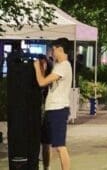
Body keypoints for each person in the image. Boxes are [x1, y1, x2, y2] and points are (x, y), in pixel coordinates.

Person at [33, 37, 73, 170]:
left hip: (58, 109)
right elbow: (46, 82)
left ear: (60, 49)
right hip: (51, 109)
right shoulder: (58, 65)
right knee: (45, 143)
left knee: (60, 146)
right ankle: (46, 167)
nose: (52, 52)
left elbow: (41, 82)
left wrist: (36, 67)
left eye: (53, 49)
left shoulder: (64, 66)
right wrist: (43, 68)